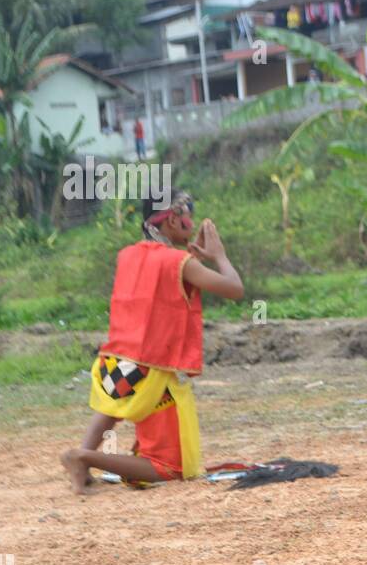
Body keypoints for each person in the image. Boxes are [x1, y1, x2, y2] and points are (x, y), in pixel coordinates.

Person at [60, 192, 243, 493]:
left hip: (113, 364)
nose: (192, 220)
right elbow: (234, 289)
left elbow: (161, 288)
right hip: (152, 374)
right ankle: (82, 457)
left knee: (111, 409)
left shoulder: (128, 255)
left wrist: (192, 257)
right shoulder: (180, 262)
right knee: (169, 468)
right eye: (188, 212)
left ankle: (81, 470)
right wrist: (218, 256)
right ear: (172, 218)